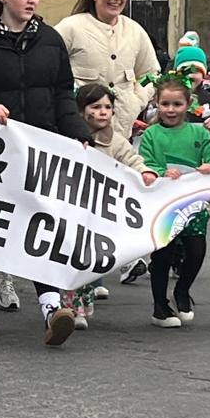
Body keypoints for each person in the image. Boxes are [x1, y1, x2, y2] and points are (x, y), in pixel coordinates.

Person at [0, 0, 92, 346]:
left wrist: (77, 132)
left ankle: (51, 307)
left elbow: (62, 92)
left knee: (39, 222)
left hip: (39, 146)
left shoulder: (49, 39)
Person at [68, 82, 155, 327]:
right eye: (95, 107)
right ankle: (72, 306)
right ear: (81, 111)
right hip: (72, 207)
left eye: (107, 107)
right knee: (72, 255)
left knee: (90, 257)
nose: (103, 112)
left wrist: (145, 171)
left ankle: (84, 298)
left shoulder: (115, 141)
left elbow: (132, 158)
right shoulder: (67, 138)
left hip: (100, 210)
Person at [138, 73, 210, 329]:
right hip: (163, 204)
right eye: (165, 104)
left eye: (177, 104)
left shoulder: (198, 132)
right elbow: (144, 161)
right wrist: (160, 171)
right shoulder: (151, 134)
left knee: (196, 251)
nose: (171, 110)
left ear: (188, 104)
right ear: (156, 103)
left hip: (192, 203)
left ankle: (182, 290)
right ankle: (159, 305)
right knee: (163, 255)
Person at [55, 0, 159, 140]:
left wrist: (137, 101)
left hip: (121, 132)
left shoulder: (135, 31)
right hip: (79, 132)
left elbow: (151, 74)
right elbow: (49, 68)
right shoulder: (70, 28)